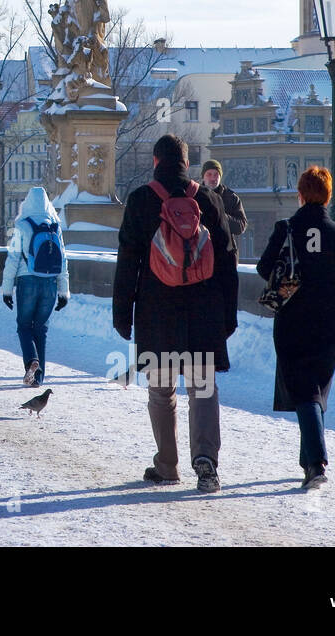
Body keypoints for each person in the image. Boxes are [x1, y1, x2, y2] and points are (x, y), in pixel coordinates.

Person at [113, 134, 235, 493]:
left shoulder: (139, 200)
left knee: (161, 391)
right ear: (186, 162)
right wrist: (228, 314)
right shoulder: (209, 200)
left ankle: (167, 464)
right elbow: (228, 258)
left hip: (157, 310)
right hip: (204, 310)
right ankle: (206, 462)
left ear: (155, 161)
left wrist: (123, 313)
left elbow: (127, 262)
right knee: (203, 387)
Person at [257, 166, 335, 490]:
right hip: (329, 327)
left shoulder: (287, 227)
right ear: (328, 196)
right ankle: (308, 462)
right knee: (313, 391)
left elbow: (263, 268)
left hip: (292, 323)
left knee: (305, 392)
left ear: (300, 194)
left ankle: (316, 463)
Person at [0, 186, 70, 387]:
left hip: (27, 281)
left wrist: (6, 290)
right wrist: (63, 291)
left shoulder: (22, 225)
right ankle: (38, 378)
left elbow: (13, 258)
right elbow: (63, 260)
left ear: (27, 203)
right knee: (41, 329)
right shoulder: (55, 226)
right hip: (49, 284)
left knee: (24, 326)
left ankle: (32, 361)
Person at [201, 159, 246, 312]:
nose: (213, 178)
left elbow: (241, 226)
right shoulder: (195, 196)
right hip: (200, 257)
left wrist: (223, 217)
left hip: (225, 257)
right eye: (209, 174)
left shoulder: (231, 198)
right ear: (203, 176)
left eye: (216, 174)